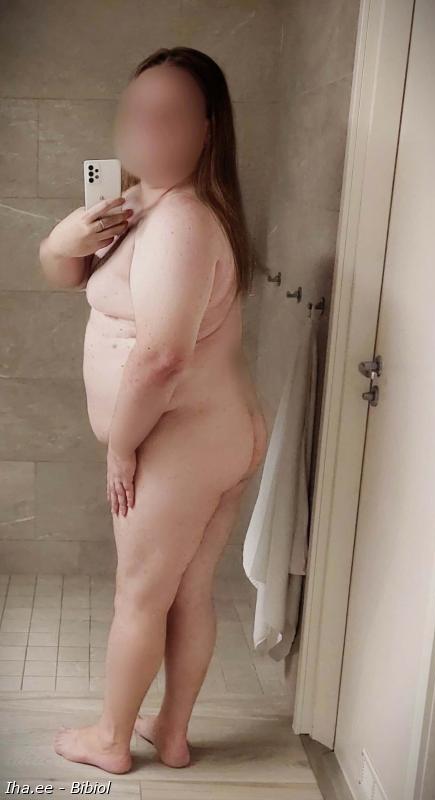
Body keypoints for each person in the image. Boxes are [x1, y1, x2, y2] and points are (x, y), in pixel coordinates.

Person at [39, 46, 268, 774]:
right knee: (187, 591)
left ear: (207, 128)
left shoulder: (180, 222)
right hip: (216, 434)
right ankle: (170, 732)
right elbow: (68, 277)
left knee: (140, 595)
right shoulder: (140, 202)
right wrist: (65, 240)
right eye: (137, 111)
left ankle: (111, 740)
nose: (146, 128)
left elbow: (163, 356)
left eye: (168, 115)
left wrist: (121, 445)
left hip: (181, 442)